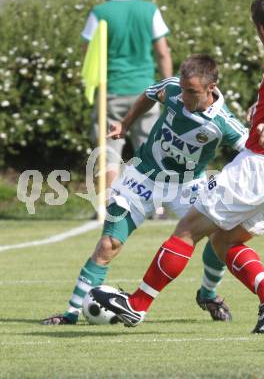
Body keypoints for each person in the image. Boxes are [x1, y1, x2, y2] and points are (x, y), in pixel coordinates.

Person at [91, 0, 264, 334]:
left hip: (261, 166)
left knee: (187, 231)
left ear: (262, 28)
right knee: (224, 241)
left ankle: (137, 305)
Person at [42, 54, 249, 325]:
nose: (184, 97)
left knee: (223, 238)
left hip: (186, 186)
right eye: (183, 89)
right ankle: (70, 314)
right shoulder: (173, 88)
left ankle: (208, 294)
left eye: (192, 92)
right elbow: (149, 94)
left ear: (211, 87)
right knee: (108, 244)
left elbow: (253, 153)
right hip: (142, 178)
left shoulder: (225, 124)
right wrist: (126, 124)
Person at [82, 0, 173, 189]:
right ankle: (155, 205)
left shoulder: (99, 12)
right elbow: (163, 53)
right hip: (146, 93)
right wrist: (168, 89)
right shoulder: (149, 10)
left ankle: (110, 203)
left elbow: (88, 54)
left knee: (109, 151)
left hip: (111, 91)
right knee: (149, 150)